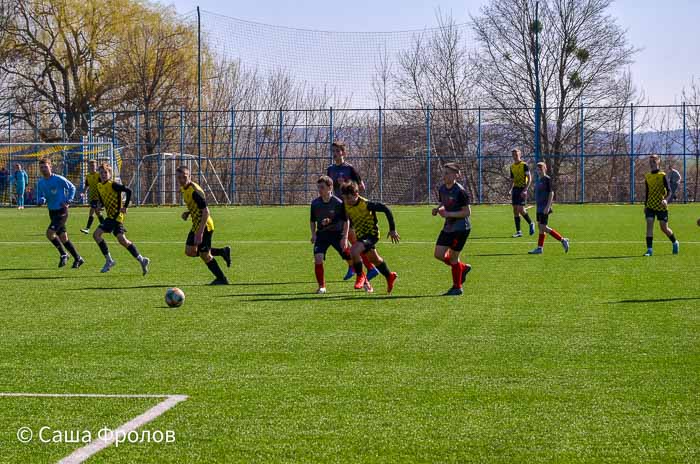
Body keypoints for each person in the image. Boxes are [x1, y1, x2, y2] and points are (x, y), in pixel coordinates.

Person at [326, 141, 379, 281]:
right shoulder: (330, 169)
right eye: (333, 151)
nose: (335, 154)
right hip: (337, 209)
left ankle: (368, 268)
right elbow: (328, 187)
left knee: (351, 240)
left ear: (343, 152)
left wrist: (348, 190)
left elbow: (361, 186)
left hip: (349, 209)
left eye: (337, 151)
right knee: (343, 240)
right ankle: (355, 266)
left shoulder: (350, 169)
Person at [340, 181, 399, 294]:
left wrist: (392, 229)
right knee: (374, 259)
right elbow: (344, 218)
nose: (348, 201)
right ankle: (389, 276)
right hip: (361, 236)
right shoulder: (345, 205)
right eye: (345, 198)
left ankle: (360, 277)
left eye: (350, 198)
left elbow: (386, 209)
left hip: (372, 235)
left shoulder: (366, 204)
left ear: (356, 194)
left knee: (354, 250)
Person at [176, 166, 231, 285]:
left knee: (204, 255)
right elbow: (196, 207)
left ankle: (222, 279)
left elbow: (206, 212)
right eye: (179, 177)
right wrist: (188, 212)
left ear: (189, 176)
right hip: (196, 224)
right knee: (189, 251)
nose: (181, 180)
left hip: (205, 226)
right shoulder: (183, 188)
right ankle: (222, 252)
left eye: (184, 177)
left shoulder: (195, 191)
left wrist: (200, 233)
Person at [93, 162, 150, 275]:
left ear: (110, 174)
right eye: (101, 173)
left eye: (106, 172)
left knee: (96, 234)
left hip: (116, 217)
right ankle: (141, 259)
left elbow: (129, 191)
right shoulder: (99, 186)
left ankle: (109, 261)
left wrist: (125, 206)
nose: (103, 175)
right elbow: (103, 200)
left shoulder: (113, 184)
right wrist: (100, 206)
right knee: (122, 240)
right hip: (111, 216)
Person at [432, 163, 472, 296]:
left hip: (461, 229)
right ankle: (462, 268)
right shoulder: (442, 188)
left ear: (456, 175)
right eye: (444, 173)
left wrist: (448, 214)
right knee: (438, 254)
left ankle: (457, 287)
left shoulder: (461, 191)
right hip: (448, 227)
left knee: (454, 258)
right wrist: (438, 209)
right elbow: (444, 202)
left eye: (448, 173)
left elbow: (467, 212)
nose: (445, 176)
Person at [36, 157, 84, 268]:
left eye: (45, 167)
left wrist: (68, 200)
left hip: (62, 211)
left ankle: (63, 254)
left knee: (49, 233)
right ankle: (78, 258)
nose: (43, 169)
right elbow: (41, 195)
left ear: (50, 167)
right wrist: (41, 199)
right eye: (41, 167)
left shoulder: (58, 179)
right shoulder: (41, 182)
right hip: (52, 212)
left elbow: (72, 187)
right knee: (63, 238)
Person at [310, 175, 351, 294]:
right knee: (318, 258)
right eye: (318, 187)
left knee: (350, 259)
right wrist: (313, 234)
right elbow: (312, 220)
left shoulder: (338, 203)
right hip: (322, 235)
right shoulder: (315, 203)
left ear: (330, 188)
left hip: (337, 234)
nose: (319, 190)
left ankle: (363, 279)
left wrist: (345, 236)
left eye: (322, 187)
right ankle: (322, 286)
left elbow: (346, 220)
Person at [528, 162, 570, 255]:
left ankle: (563, 240)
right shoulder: (538, 180)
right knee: (540, 227)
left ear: (545, 169)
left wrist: (548, 206)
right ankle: (539, 248)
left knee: (543, 227)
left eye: (541, 169)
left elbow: (551, 193)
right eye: (538, 169)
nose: (539, 171)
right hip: (539, 207)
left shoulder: (547, 179)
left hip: (544, 207)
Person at [643, 154, 679, 256]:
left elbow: (669, 191)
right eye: (650, 162)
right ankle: (649, 250)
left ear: (658, 162)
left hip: (661, 206)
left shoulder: (662, 175)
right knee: (649, 223)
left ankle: (675, 242)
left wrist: (666, 200)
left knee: (663, 228)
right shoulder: (648, 176)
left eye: (654, 162)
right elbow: (647, 192)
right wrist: (645, 205)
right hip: (650, 205)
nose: (652, 164)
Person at [509, 149, 535, 237]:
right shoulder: (512, 166)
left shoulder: (524, 165)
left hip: (522, 189)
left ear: (520, 155)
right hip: (515, 189)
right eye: (513, 155)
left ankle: (531, 223)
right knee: (515, 210)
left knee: (520, 209)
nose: (515, 156)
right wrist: (510, 189)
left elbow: (529, 178)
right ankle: (519, 232)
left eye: (516, 154)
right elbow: (512, 180)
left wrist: (525, 189)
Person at [80, 159, 105, 233]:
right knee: (98, 213)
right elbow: (87, 186)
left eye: (93, 166)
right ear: (88, 166)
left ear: (96, 166)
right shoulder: (88, 176)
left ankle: (87, 229)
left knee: (93, 211)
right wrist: (83, 193)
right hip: (92, 197)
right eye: (91, 166)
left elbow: (103, 185)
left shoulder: (98, 175)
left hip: (98, 197)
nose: (92, 167)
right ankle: (105, 226)